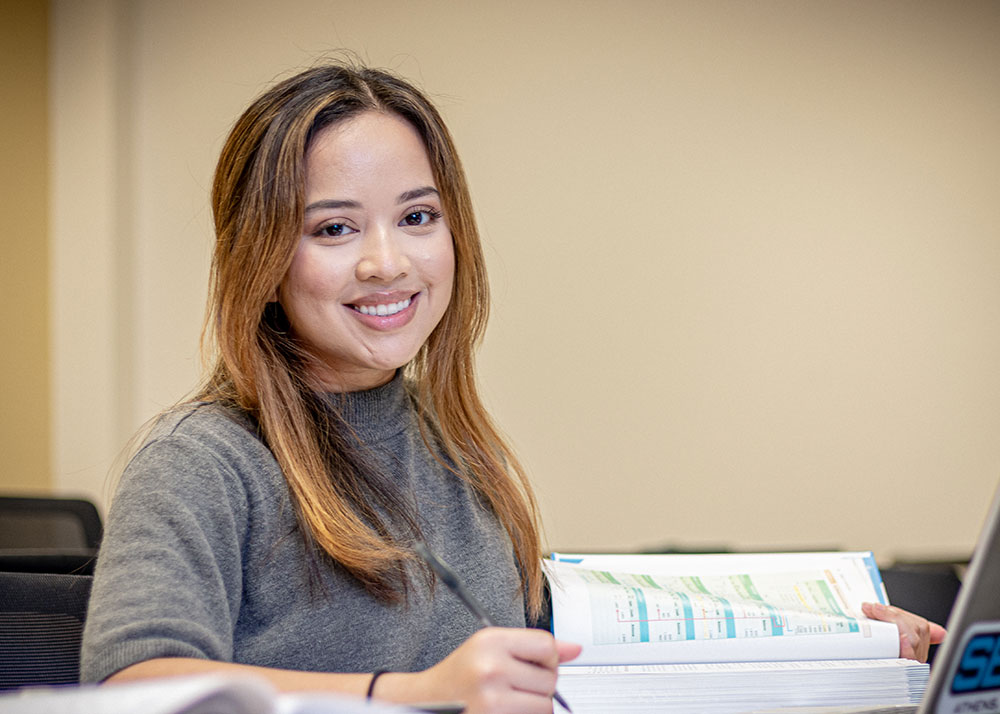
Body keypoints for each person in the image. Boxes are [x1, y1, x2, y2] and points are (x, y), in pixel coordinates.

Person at [80, 62, 944, 712]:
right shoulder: (201, 460)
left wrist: (837, 638)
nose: (389, 262)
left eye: (418, 217)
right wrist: (409, 692)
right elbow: (132, 688)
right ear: (262, 260)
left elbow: (568, 643)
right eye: (335, 228)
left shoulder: (456, 450)